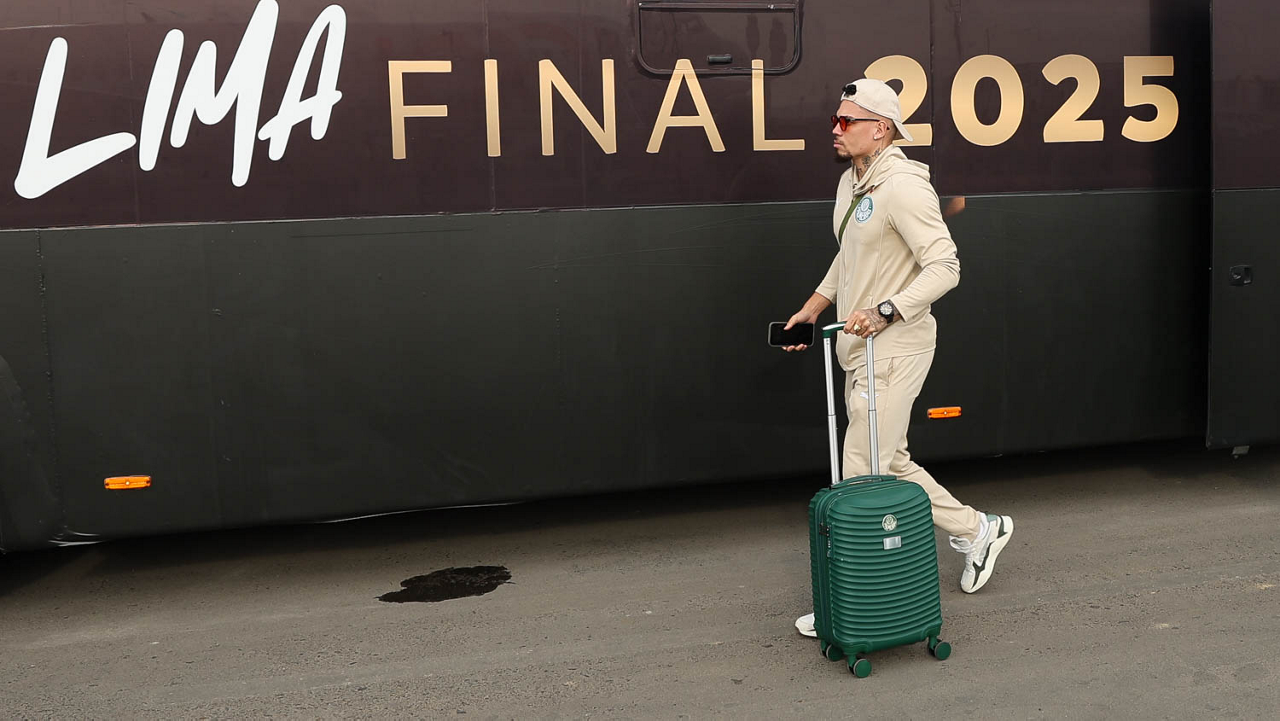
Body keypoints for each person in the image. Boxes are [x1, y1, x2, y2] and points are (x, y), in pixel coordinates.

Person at [782, 78, 1013, 638]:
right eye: (835, 119)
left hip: (896, 346)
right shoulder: (851, 181)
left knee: (862, 471)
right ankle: (977, 528)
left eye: (847, 121)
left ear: (880, 129)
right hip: (858, 347)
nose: (835, 130)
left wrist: (887, 310)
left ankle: (849, 602)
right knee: (889, 458)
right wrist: (813, 310)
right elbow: (849, 258)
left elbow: (945, 266)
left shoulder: (905, 187)